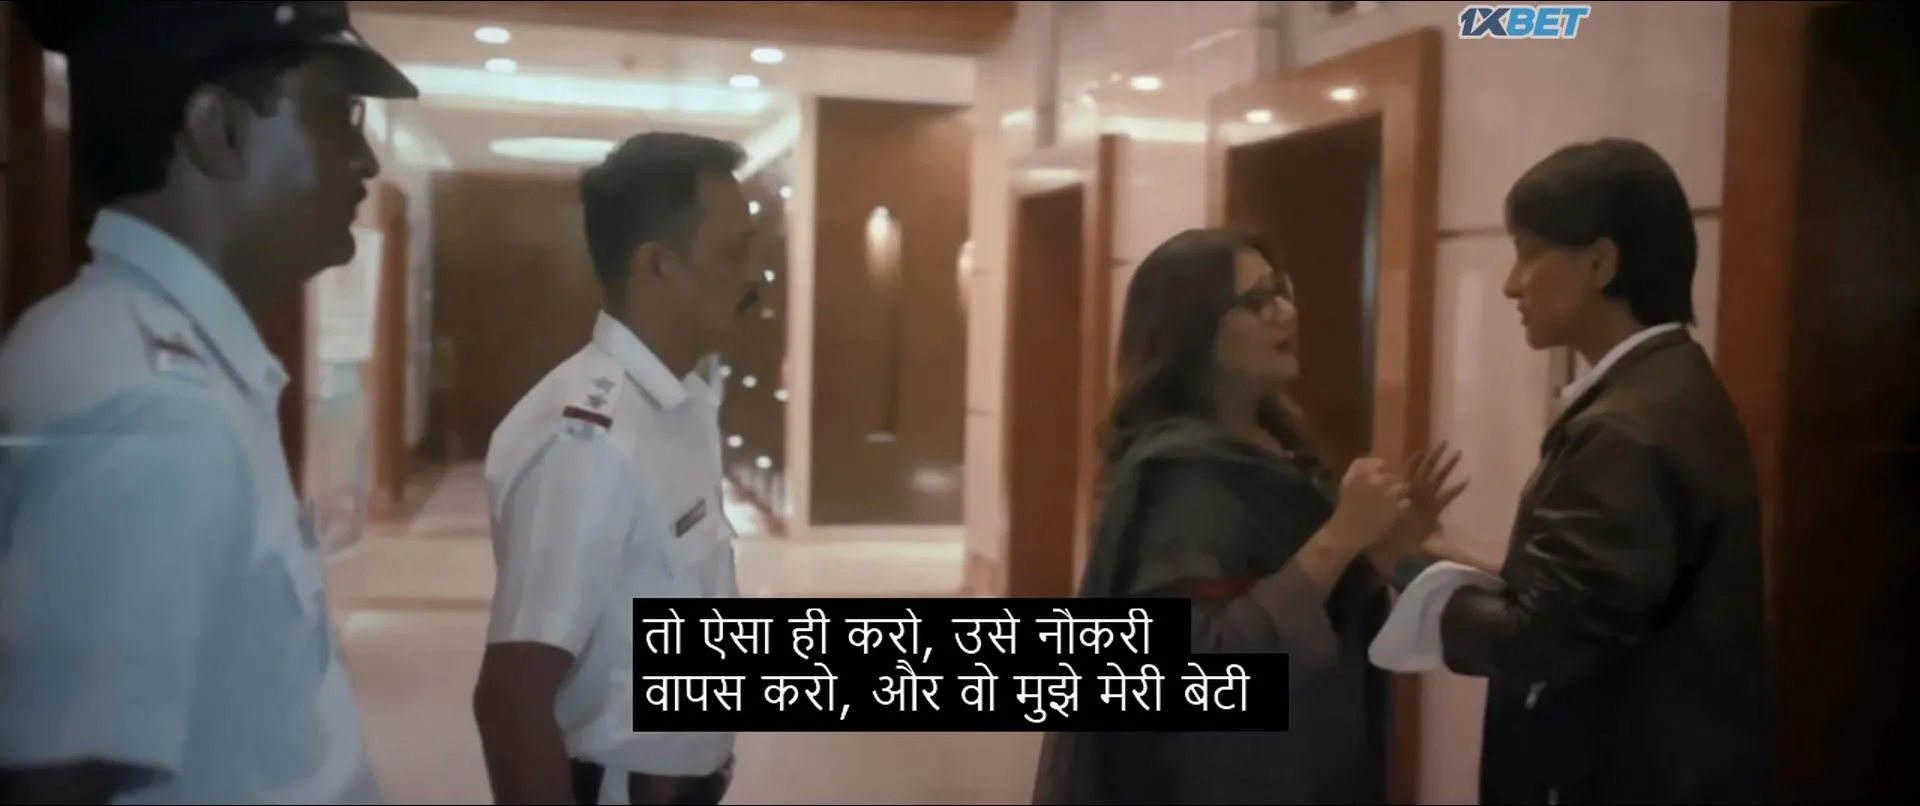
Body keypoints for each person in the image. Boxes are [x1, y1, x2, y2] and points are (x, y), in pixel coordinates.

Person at [0, 2, 417, 804]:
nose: (365, 158)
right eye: (337, 112)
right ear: (217, 128)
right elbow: (60, 781)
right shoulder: (150, 408)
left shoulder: (168, 363)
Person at [1031, 228, 1463, 805]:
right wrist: (1339, 538)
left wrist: (1380, 554)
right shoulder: (1182, 478)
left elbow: (1307, 597)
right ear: (1195, 330)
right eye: (1258, 300)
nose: (1287, 313)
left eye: (1282, 292)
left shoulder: (1277, 446)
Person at [1421, 139, 1766, 804]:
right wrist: (1441, 555)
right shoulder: (1670, 385)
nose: (1511, 283)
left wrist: (1408, 571)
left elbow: (1546, 642)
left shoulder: (1625, 428)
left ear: (1601, 263)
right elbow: (1596, 595)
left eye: (1528, 252)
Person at [473, 132, 762, 806]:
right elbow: (513, 695)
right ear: (658, 264)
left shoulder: (682, 405)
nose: (754, 275)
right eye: (733, 251)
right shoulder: (592, 438)